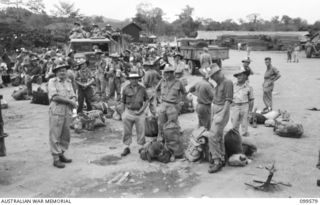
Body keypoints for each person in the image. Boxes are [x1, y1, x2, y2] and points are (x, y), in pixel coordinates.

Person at [48, 59, 77, 168]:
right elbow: (55, 97)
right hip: (57, 110)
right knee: (55, 135)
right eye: (60, 71)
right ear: (56, 72)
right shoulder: (52, 82)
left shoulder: (68, 82)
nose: (62, 72)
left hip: (67, 111)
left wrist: (74, 99)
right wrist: (70, 101)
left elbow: (73, 94)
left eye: (64, 70)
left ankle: (61, 154)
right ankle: (56, 158)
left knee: (66, 134)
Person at [207, 63, 233, 173]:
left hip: (222, 110)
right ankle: (222, 157)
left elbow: (228, 100)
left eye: (213, 76)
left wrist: (222, 114)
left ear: (218, 73)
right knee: (218, 135)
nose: (212, 78)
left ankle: (217, 160)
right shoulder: (218, 83)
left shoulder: (227, 82)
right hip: (216, 109)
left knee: (212, 136)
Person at [120, 72, 149, 157]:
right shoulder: (126, 89)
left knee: (141, 131)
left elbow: (147, 100)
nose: (134, 80)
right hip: (128, 112)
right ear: (129, 80)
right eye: (132, 79)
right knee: (126, 131)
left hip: (139, 113)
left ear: (138, 79)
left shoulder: (142, 89)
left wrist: (142, 110)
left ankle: (141, 147)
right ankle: (126, 147)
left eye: (136, 79)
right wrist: (122, 113)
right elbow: (123, 101)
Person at [156, 65, 187, 141]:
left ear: (172, 73)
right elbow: (157, 90)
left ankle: (172, 139)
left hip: (173, 105)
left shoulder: (178, 82)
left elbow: (184, 93)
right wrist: (159, 98)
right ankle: (160, 136)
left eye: (169, 73)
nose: (167, 74)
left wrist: (181, 102)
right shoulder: (162, 81)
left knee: (172, 124)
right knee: (160, 122)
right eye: (166, 73)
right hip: (163, 104)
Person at [231, 67, 254, 137]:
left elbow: (251, 100)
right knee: (234, 124)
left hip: (245, 106)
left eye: (240, 75)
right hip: (235, 106)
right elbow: (228, 97)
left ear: (245, 76)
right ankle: (235, 139)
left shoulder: (249, 87)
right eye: (237, 75)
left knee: (244, 125)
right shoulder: (233, 85)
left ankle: (244, 140)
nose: (238, 77)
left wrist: (250, 111)